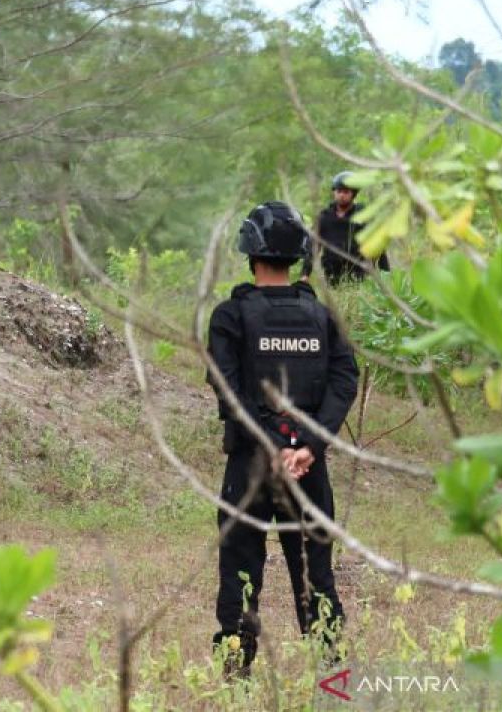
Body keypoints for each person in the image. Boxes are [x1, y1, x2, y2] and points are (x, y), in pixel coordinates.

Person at [207, 201, 359, 679]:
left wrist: (273, 445)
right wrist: (307, 446)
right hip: (308, 470)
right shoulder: (322, 317)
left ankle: (234, 683)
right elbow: (344, 381)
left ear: (250, 252)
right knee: (316, 576)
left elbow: (229, 389)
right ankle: (333, 683)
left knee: (241, 569)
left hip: (252, 464)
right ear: (297, 257)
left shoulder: (230, 317)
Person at [305, 171, 390, 284]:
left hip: (359, 277)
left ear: (353, 194)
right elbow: (313, 247)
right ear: (334, 192)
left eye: (346, 192)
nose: (341, 195)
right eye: (339, 191)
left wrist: (386, 273)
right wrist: (305, 274)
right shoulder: (324, 217)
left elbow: (378, 245)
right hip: (331, 277)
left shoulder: (363, 215)